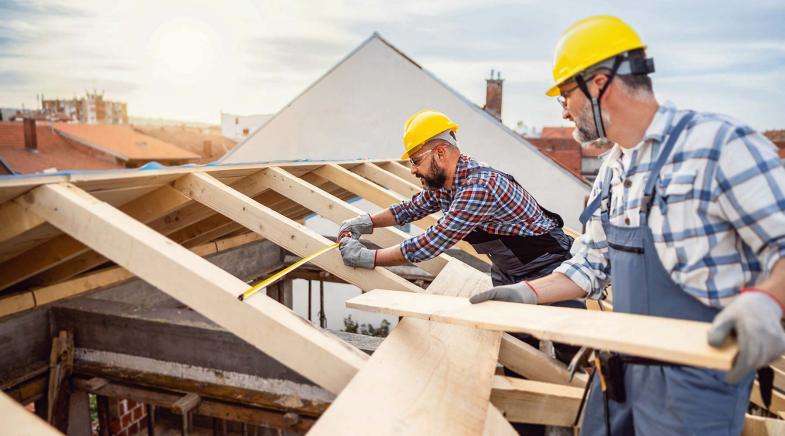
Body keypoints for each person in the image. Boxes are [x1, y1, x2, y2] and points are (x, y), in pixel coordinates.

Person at [470, 15, 785, 435]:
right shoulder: (613, 169)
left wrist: (767, 301)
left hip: (697, 379)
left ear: (599, 83)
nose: (563, 109)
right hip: (622, 370)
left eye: (566, 94)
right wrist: (526, 292)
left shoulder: (719, 146)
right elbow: (591, 264)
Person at [338, 109, 577, 306]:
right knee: (516, 343)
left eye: (415, 160)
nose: (412, 170)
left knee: (567, 343)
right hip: (509, 272)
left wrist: (369, 257)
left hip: (547, 269)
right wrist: (366, 222)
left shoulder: (479, 187)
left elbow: (432, 242)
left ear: (440, 152)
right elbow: (410, 209)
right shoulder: (448, 183)